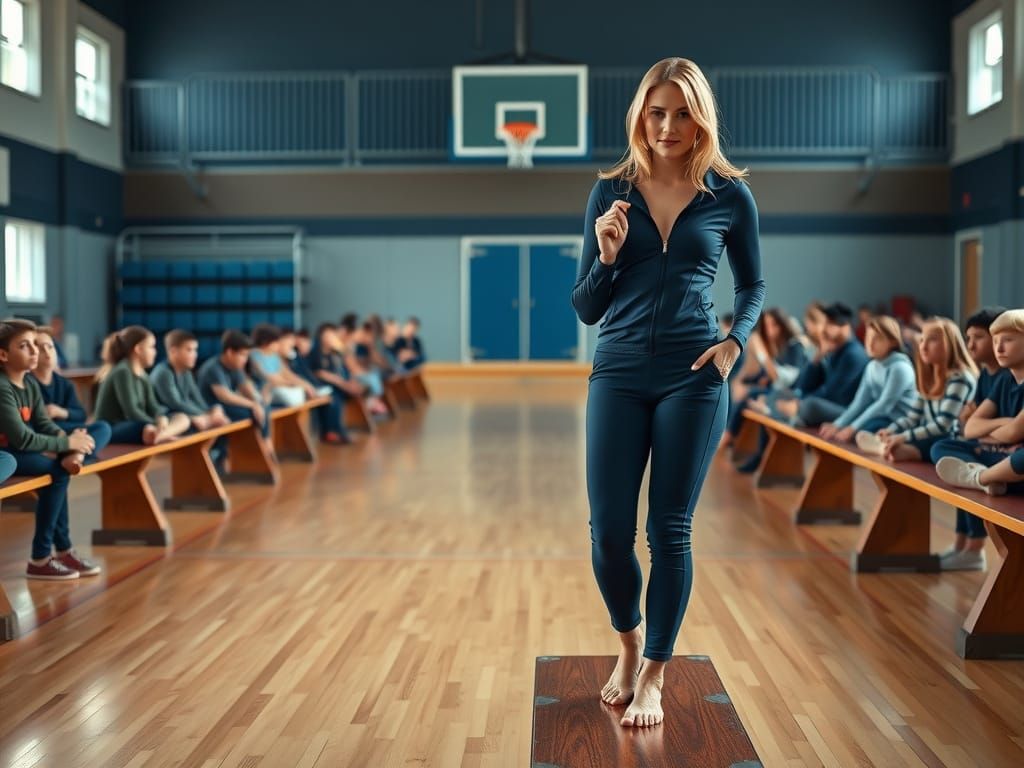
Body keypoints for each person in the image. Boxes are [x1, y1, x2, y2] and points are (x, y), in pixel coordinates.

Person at [571, 58, 764, 728]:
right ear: (639, 116)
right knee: (608, 534)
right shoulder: (610, 193)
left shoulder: (729, 197)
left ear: (700, 118)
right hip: (618, 373)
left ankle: (654, 672)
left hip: (694, 375)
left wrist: (735, 340)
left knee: (669, 529)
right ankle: (626, 645)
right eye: (657, 112)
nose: (668, 126)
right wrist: (605, 255)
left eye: (682, 112)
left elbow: (753, 285)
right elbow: (586, 309)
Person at [0, 319, 111, 580]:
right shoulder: (3, 386)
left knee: (77, 448)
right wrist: (68, 444)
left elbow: (44, 424)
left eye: (35, 345)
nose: (34, 351)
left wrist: (68, 440)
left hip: (21, 451)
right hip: (9, 453)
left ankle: (53, 554)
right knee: (58, 472)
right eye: (25, 346)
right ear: (3, 354)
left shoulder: (30, 385)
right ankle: (43, 557)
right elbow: (22, 439)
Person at [930, 309, 1024, 569]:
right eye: (996, 341)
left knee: (968, 471)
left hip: (1014, 463)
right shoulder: (1004, 380)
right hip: (1001, 460)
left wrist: (997, 429)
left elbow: (1014, 433)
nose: (999, 347)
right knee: (944, 447)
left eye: (1009, 340)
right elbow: (970, 427)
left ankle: (981, 478)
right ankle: (983, 478)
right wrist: (1003, 425)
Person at [856, 317, 977, 465]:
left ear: (949, 344)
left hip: (950, 437)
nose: (923, 346)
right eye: (921, 340)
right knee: (885, 430)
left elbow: (943, 425)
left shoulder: (960, 378)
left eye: (932, 340)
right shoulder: (930, 377)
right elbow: (913, 417)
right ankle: (889, 446)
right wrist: (891, 430)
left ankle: (895, 449)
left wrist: (903, 437)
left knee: (937, 446)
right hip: (930, 433)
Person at [819, 315, 917, 443]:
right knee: (854, 432)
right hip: (883, 418)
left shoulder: (900, 368)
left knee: (861, 433)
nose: (870, 343)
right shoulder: (872, 366)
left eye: (877, 338)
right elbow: (860, 402)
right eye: (868, 337)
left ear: (893, 341)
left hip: (901, 422)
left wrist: (852, 428)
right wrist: (838, 424)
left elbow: (883, 405)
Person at [94, 326, 191, 445]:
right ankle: (160, 435)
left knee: (183, 418)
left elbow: (153, 405)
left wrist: (161, 417)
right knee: (147, 428)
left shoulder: (143, 374)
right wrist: (155, 422)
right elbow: (132, 412)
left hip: (136, 423)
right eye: (151, 347)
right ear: (138, 349)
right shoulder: (122, 371)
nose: (155, 351)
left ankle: (161, 435)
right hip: (114, 427)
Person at [149, 329, 230, 432]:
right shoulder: (163, 373)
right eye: (189, 350)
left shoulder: (185, 372)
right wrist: (205, 415)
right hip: (165, 418)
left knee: (219, 416)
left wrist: (210, 411)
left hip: (182, 414)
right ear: (173, 351)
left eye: (195, 350)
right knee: (201, 423)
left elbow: (196, 397)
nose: (195, 354)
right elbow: (175, 403)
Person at [197, 330, 268, 438]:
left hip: (225, 408)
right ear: (230, 352)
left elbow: (246, 389)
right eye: (243, 355)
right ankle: (223, 451)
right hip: (211, 409)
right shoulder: (213, 368)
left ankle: (264, 446)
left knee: (264, 408)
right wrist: (253, 405)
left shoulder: (235, 367)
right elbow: (226, 397)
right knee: (252, 414)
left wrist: (258, 402)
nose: (245, 360)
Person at [31, 325, 88, 433]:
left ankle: (76, 447)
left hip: (64, 428)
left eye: (50, 347)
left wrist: (59, 412)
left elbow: (81, 415)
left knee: (102, 428)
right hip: (41, 432)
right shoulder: (26, 383)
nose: (47, 353)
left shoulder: (65, 383)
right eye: (41, 348)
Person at [248, 323, 316, 407]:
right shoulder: (255, 355)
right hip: (264, 391)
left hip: (277, 389)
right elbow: (271, 379)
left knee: (300, 394)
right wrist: (293, 384)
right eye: (276, 341)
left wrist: (306, 385)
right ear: (266, 342)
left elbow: (287, 374)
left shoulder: (273, 355)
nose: (278, 344)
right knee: (296, 398)